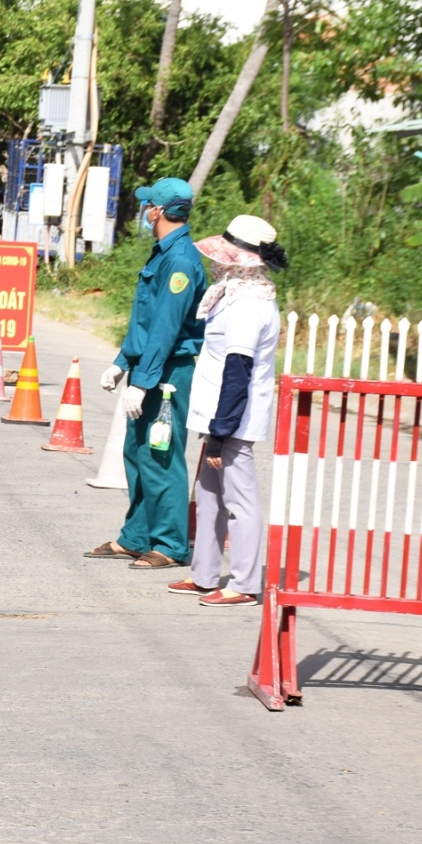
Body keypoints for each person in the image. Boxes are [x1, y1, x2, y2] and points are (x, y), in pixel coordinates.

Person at [86, 177, 209, 570]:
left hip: (168, 373)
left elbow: (166, 328)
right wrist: (122, 362)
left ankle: (171, 544)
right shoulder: (163, 254)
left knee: (161, 456)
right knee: (137, 455)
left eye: (147, 206)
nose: (144, 211)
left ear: (157, 210)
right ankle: (137, 537)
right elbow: (146, 320)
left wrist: (142, 382)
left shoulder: (180, 261)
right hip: (150, 366)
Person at [167, 216, 286, 606]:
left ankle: (245, 583)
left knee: (240, 502)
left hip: (232, 421)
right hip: (218, 416)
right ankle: (203, 574)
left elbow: (238, 373)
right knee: (208, 497)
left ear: (240, 261)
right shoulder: (232, 296)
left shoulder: (250, 306)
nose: (216, 263)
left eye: (224, 257)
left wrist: (220, 433)